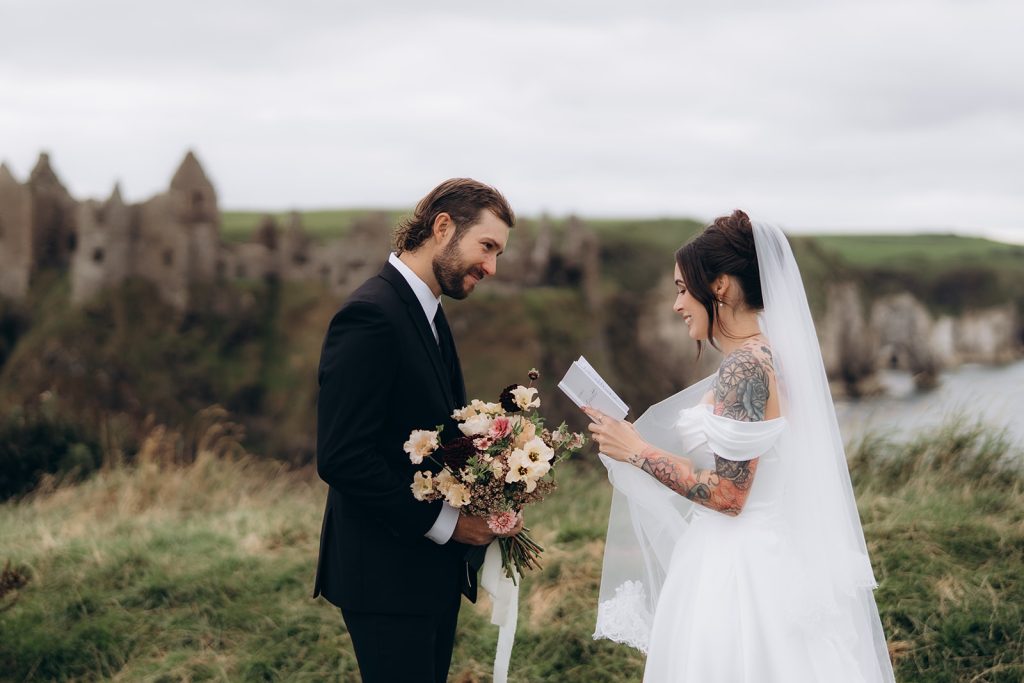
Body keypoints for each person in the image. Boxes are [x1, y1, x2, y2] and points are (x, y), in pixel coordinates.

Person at [586, 210, 895, 682]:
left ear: (721, 287)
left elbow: (729, 496)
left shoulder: (744, 368)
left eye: (681, 288)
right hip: (774, 553)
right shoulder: (773, 355)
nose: (677, 305)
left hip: (741, 573)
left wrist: (635, 451)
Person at [313, 178, 522, 683]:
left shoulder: (427, 309)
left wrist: (490, 484)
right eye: (487, 247)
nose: (492, 268)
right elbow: (342, 456)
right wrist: (449, 525)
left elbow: (431, 431)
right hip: (385, 577)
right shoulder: (371, 315)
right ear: (443, 227)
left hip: (424, 572)